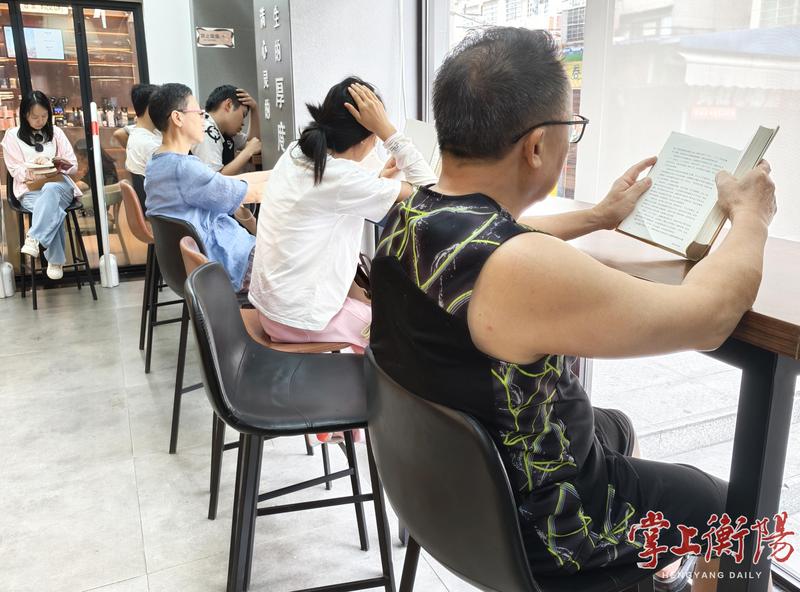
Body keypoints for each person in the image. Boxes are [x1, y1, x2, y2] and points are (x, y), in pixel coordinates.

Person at [369, 28, 776, 592]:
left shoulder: (409, 217)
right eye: (571, 129)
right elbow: (710, 316)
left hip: (445, 498)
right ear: (537, 146)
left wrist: (599, 216)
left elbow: (502, 236)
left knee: (616, 427)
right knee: (731, 514)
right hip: (549, 535)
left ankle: (645, 573)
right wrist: (751, 216)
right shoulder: (518, 268)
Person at [248, 76, 437, 354]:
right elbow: (433, 194)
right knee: (406, 338)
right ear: (369, 137)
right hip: (298, 320)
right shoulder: (340, 178)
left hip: (275, 307)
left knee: (380, 308)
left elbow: (331, 192)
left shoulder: (296, 152)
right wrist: (389, 132)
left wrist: (377, 181)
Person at [144, 83, 268, 292]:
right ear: (178, 118)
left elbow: (224, 183)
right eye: (199, 112)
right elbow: (249, 193)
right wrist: (290, 181)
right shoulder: (184, 168)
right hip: (229, 263)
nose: (203, 118)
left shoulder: (157, 163)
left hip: (199, 263)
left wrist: (274, 174)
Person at [2, 90, 81, 280]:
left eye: (44, 116)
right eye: (35, 117)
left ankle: (34, 238)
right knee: (51, 208)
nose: (40, 121)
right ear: (24, 115)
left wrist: (57, 163)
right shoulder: (12, 136)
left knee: (51, 190)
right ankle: (55, 260)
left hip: (60, 185)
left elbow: (73, 167)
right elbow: (15, 171)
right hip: (30, 189)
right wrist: (35, 167)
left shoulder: (57, 133)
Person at [192, 85, 262, 235]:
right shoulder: (207, 130)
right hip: (204, 217)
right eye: (243, 115)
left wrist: (254, 109)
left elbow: (252, 140)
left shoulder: (222, 131)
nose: (242, 123)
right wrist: (248, 152)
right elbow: (216, 179)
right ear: (229, 105)